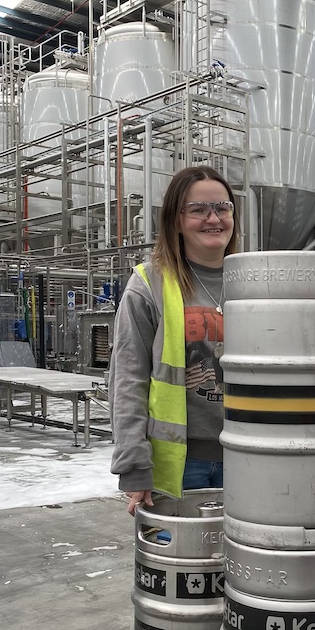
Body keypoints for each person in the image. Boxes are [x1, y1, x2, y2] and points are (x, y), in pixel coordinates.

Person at [110, 165, 237, 515]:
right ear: (176, 219)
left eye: (222, 207)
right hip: (180, 464)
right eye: (198, 210)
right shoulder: (149, 283)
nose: (214, 218)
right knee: (182, 566)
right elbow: (127, 379)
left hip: (249, 456)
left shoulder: (257, 280)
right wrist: (133, 463)